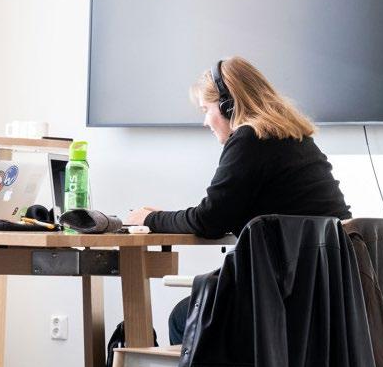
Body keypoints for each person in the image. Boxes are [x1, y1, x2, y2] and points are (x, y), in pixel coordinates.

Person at [126, 56, 352, 344]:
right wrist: (167, 217)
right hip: (325, 297)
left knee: (185, 316)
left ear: (228, 105)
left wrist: (148, 218)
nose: (205, 122)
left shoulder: (250, 138)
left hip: (282, 298)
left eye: (206, 110)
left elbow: (208, 220)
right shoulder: (297, 138)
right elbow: (218, 214)